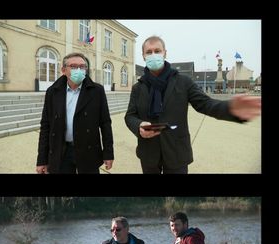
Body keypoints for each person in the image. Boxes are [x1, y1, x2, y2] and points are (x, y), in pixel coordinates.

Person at [125, 36, 262, 174]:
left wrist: (231, 108)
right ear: (143, 56)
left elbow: (206, 104)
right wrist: (138, 126)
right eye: (149, 52)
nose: (153, 55)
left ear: (165, 53)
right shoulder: (138, 87)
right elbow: (130, 116)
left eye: (157, 50)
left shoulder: (183, 82)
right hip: (148, 153)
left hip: (177, 152)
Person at [36, 52, 114, 174]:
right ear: (63, 70)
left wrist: (108, 153)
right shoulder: (52, 92)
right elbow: (46, 126)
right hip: (62, 151)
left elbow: (105, 123)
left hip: (88, 151)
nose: (79, 70)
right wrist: (42, 159)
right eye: (73, 66)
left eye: (82, 67)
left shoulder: (97, 91)